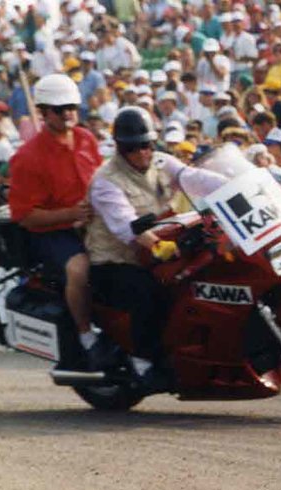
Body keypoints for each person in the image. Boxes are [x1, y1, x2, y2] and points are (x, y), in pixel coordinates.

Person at [85, 107, 227, 388]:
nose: (142, 153)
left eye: (147, 145)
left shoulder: (163, 162)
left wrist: (244, 183)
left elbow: (196, 178)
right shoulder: (106, 181)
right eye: (133, 148)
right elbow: (125, 225)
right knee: (148, 293)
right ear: (120, 148)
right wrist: (157, 245)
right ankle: (143, 361)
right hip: (116, 261)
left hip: (160, 253)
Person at [9, 73, 115, 371]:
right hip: (51, 232)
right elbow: (25, 216)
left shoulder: (86, 139)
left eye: (71, 107)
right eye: (59, 109)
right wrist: (71, 214)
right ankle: (86, 337)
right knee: (79, 268)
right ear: (43, 112)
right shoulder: (27, 157)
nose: (68, 113)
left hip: (92, 222)